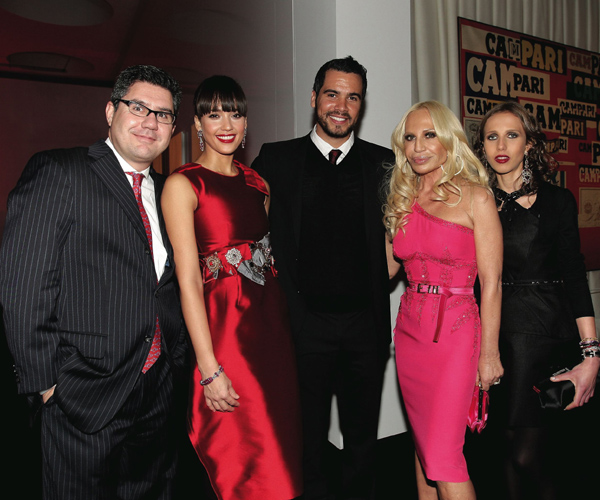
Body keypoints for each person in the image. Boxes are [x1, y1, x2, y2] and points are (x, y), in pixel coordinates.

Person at [0, 65, 188, 499]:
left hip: (157, 393)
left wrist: (175, 365)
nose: (150, 122)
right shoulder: (60, 171)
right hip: (81, 395)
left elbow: (168, 285)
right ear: (110, 111)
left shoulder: (171, 191)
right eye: (137, 107)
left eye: (162, 115)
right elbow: (23, 289)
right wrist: (46, 386)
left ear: (172, 129)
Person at [251, 56, 394, 500]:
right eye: (332, 93)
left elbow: (406, 233)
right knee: (305, 442)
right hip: (301, 325)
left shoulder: (384, 164)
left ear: (361, 105)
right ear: (315, 98)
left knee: (362, 444)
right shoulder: (275, 159)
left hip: (364, 327)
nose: (341, 105)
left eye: (353, 96)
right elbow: (247, 233)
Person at [161, 75, 302, 500]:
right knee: (245, 460)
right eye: (214, 113)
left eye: (236, 113)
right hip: (226, 343)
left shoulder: (258, 184)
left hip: (273, 338)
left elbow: (267, 264)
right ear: (197, 123)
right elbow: (188, 282)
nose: (227, 123)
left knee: (283, 456)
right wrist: (209, 368)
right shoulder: (182, 185)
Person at [473, 101, 599, 500]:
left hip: (541, 335)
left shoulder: (556, 201)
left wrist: (591, 352)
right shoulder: (474, 202)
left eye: (512, 134)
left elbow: (575, 277)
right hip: (490, 334)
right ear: (482, 146)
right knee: (503, 453)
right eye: (492, 136)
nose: (502, 144)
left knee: (529, 456)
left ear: (529, 144)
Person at [383, 101, 504, 500]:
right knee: (422, 451)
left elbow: (492, 283)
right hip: (410, 333)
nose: (418, 146)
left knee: (443, 456)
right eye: (411, 138)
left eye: (429, 135)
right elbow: (384, 272)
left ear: (449, 140)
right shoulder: (403, 199)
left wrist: (489, 354)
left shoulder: (476, 198)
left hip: (455, 336)